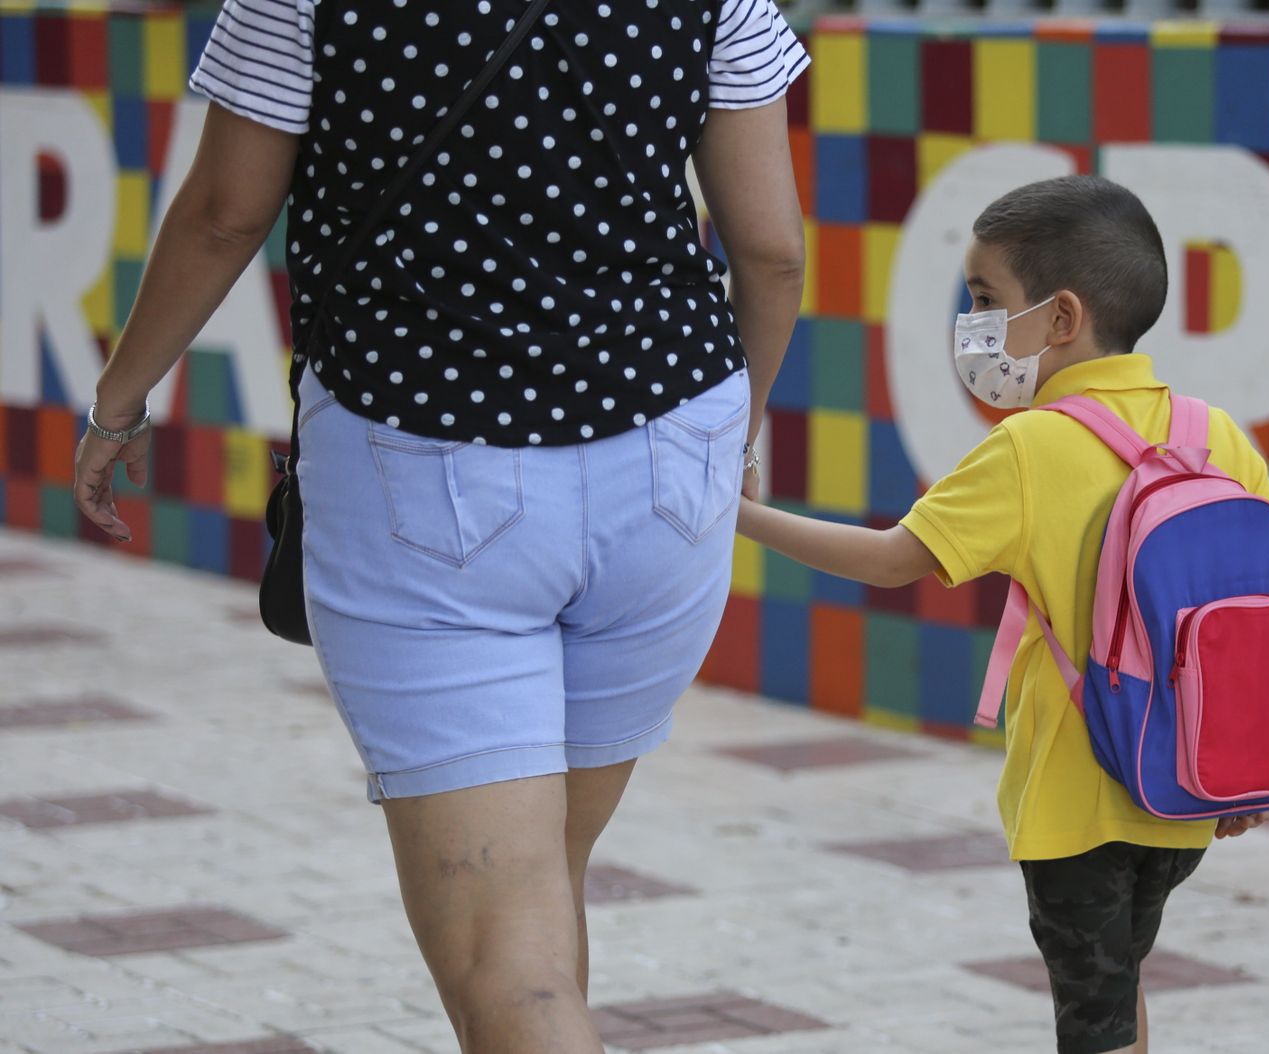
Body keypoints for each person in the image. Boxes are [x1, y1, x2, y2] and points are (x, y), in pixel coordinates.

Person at [73, 1, 807, 1050]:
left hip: (422, 459)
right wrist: (729, 440)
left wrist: (120, 399)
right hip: (668, 455)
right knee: (543, 893)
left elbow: (225, 215)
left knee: (507, 947)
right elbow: (771, 249)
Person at [737, 175, 1269, 1054]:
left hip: (1079, 795)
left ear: (1061, 320)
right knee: (1117, 989)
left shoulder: (1032, 444)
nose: (974, 322)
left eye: (987, 298)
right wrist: (1243, 768)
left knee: (1092, 1025)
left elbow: (889, 561)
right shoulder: (1212, 432)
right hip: (1183, 787)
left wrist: (739, 515)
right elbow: (1255, 615)